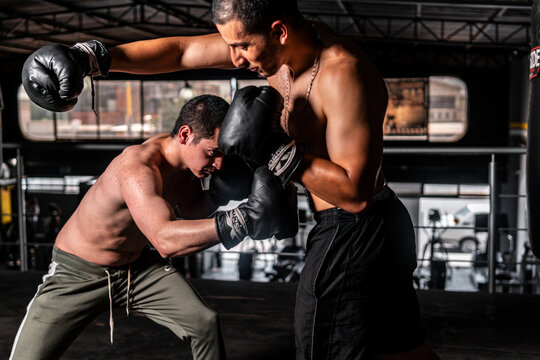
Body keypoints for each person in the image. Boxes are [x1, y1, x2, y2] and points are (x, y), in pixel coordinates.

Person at [21, 0, 441, 359]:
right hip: (374, 230)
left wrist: (275, 152)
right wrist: (92, 59)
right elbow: (182, 52)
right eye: (231, 46)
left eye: (242, 46)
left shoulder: (342, 74)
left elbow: (355, 194)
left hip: (355, 233)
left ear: (277, 30)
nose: (236, 59)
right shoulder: (274, 55)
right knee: (405, 350)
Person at [9, 94, 298, 360]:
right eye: (212, 152)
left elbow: (191, 209)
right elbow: (165, 240)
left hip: (137, 269)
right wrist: (245, 219)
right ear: (186, 134)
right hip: (78, 272)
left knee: (204, 323)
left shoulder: (186, 165)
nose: (219, 164)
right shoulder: (138, 167)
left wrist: (218, 195)